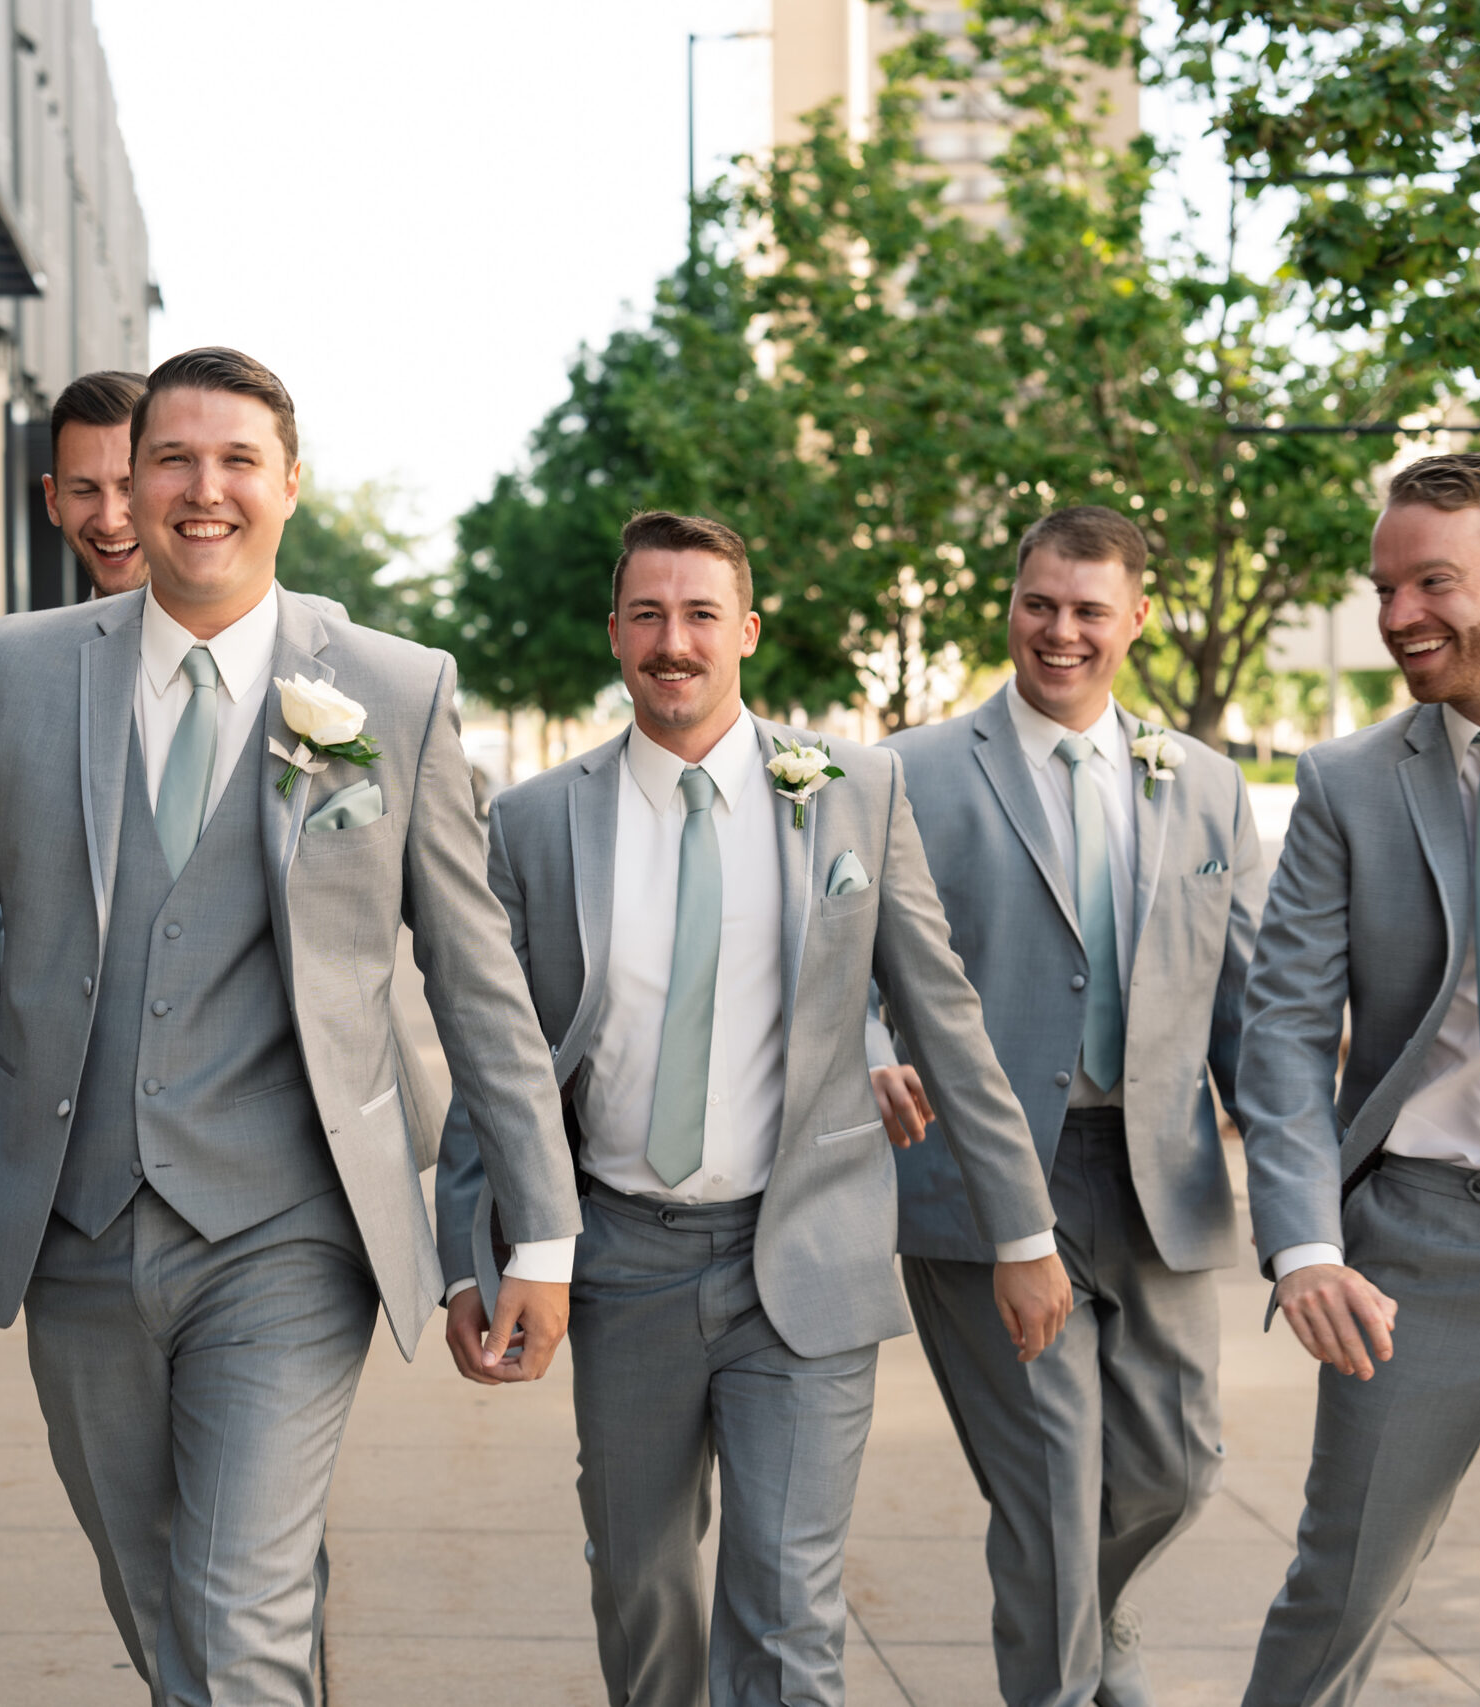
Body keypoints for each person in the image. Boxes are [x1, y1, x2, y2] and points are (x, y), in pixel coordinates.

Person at [0, 347, 581, 1705]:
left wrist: (538, 1228)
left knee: (233, 1617)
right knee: (162, 1590)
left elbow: (482, 980)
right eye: (169, 459)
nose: (201, 489)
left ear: (289, 483)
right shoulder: (22, 669)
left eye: (237, 459)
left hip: (290, 1229)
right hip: (74, 1220)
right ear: (127, 484)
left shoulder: (391, 688)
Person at [437, 509, 1073, 1707]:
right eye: (647, 615)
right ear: (614, 631)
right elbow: (497, 1060)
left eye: (699, 616)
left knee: (786, 1601)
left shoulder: (850, 789)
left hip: (806, 1249)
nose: (672, 642)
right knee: (641, 1587)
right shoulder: (533, 822)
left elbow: (945, 1019)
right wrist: (476, 1256)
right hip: (619, 1257)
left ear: (747, 632)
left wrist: (1022, 1233)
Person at [874, 505, 1262, 1706]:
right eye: (1039, 603)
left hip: (1161, 1179)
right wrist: (871, 1053)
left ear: (1136, 619)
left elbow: (1248, 1003)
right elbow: (845, 962)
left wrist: (1321, 1202)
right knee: (1048, 1487)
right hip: (985, 1179)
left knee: (1175, 1472)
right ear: (1010, 603)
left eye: (1089, 609)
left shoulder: (1203, 782)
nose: (1060, 631)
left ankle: (1102, 1625)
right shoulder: (910, 773)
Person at [1237, 453, 1480, 1706]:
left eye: (1434, 582)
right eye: (1384, 587)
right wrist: (1305, 1248)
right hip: (1419, 1250)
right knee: (1339, 1591)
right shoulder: (1346, 785)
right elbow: (1280, 1032)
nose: (1399, 616)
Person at [45, 369, 151, 595]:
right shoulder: (12, 632)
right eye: (84, 491)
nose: (109, 523)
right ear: (52, 501)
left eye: (131, 488)